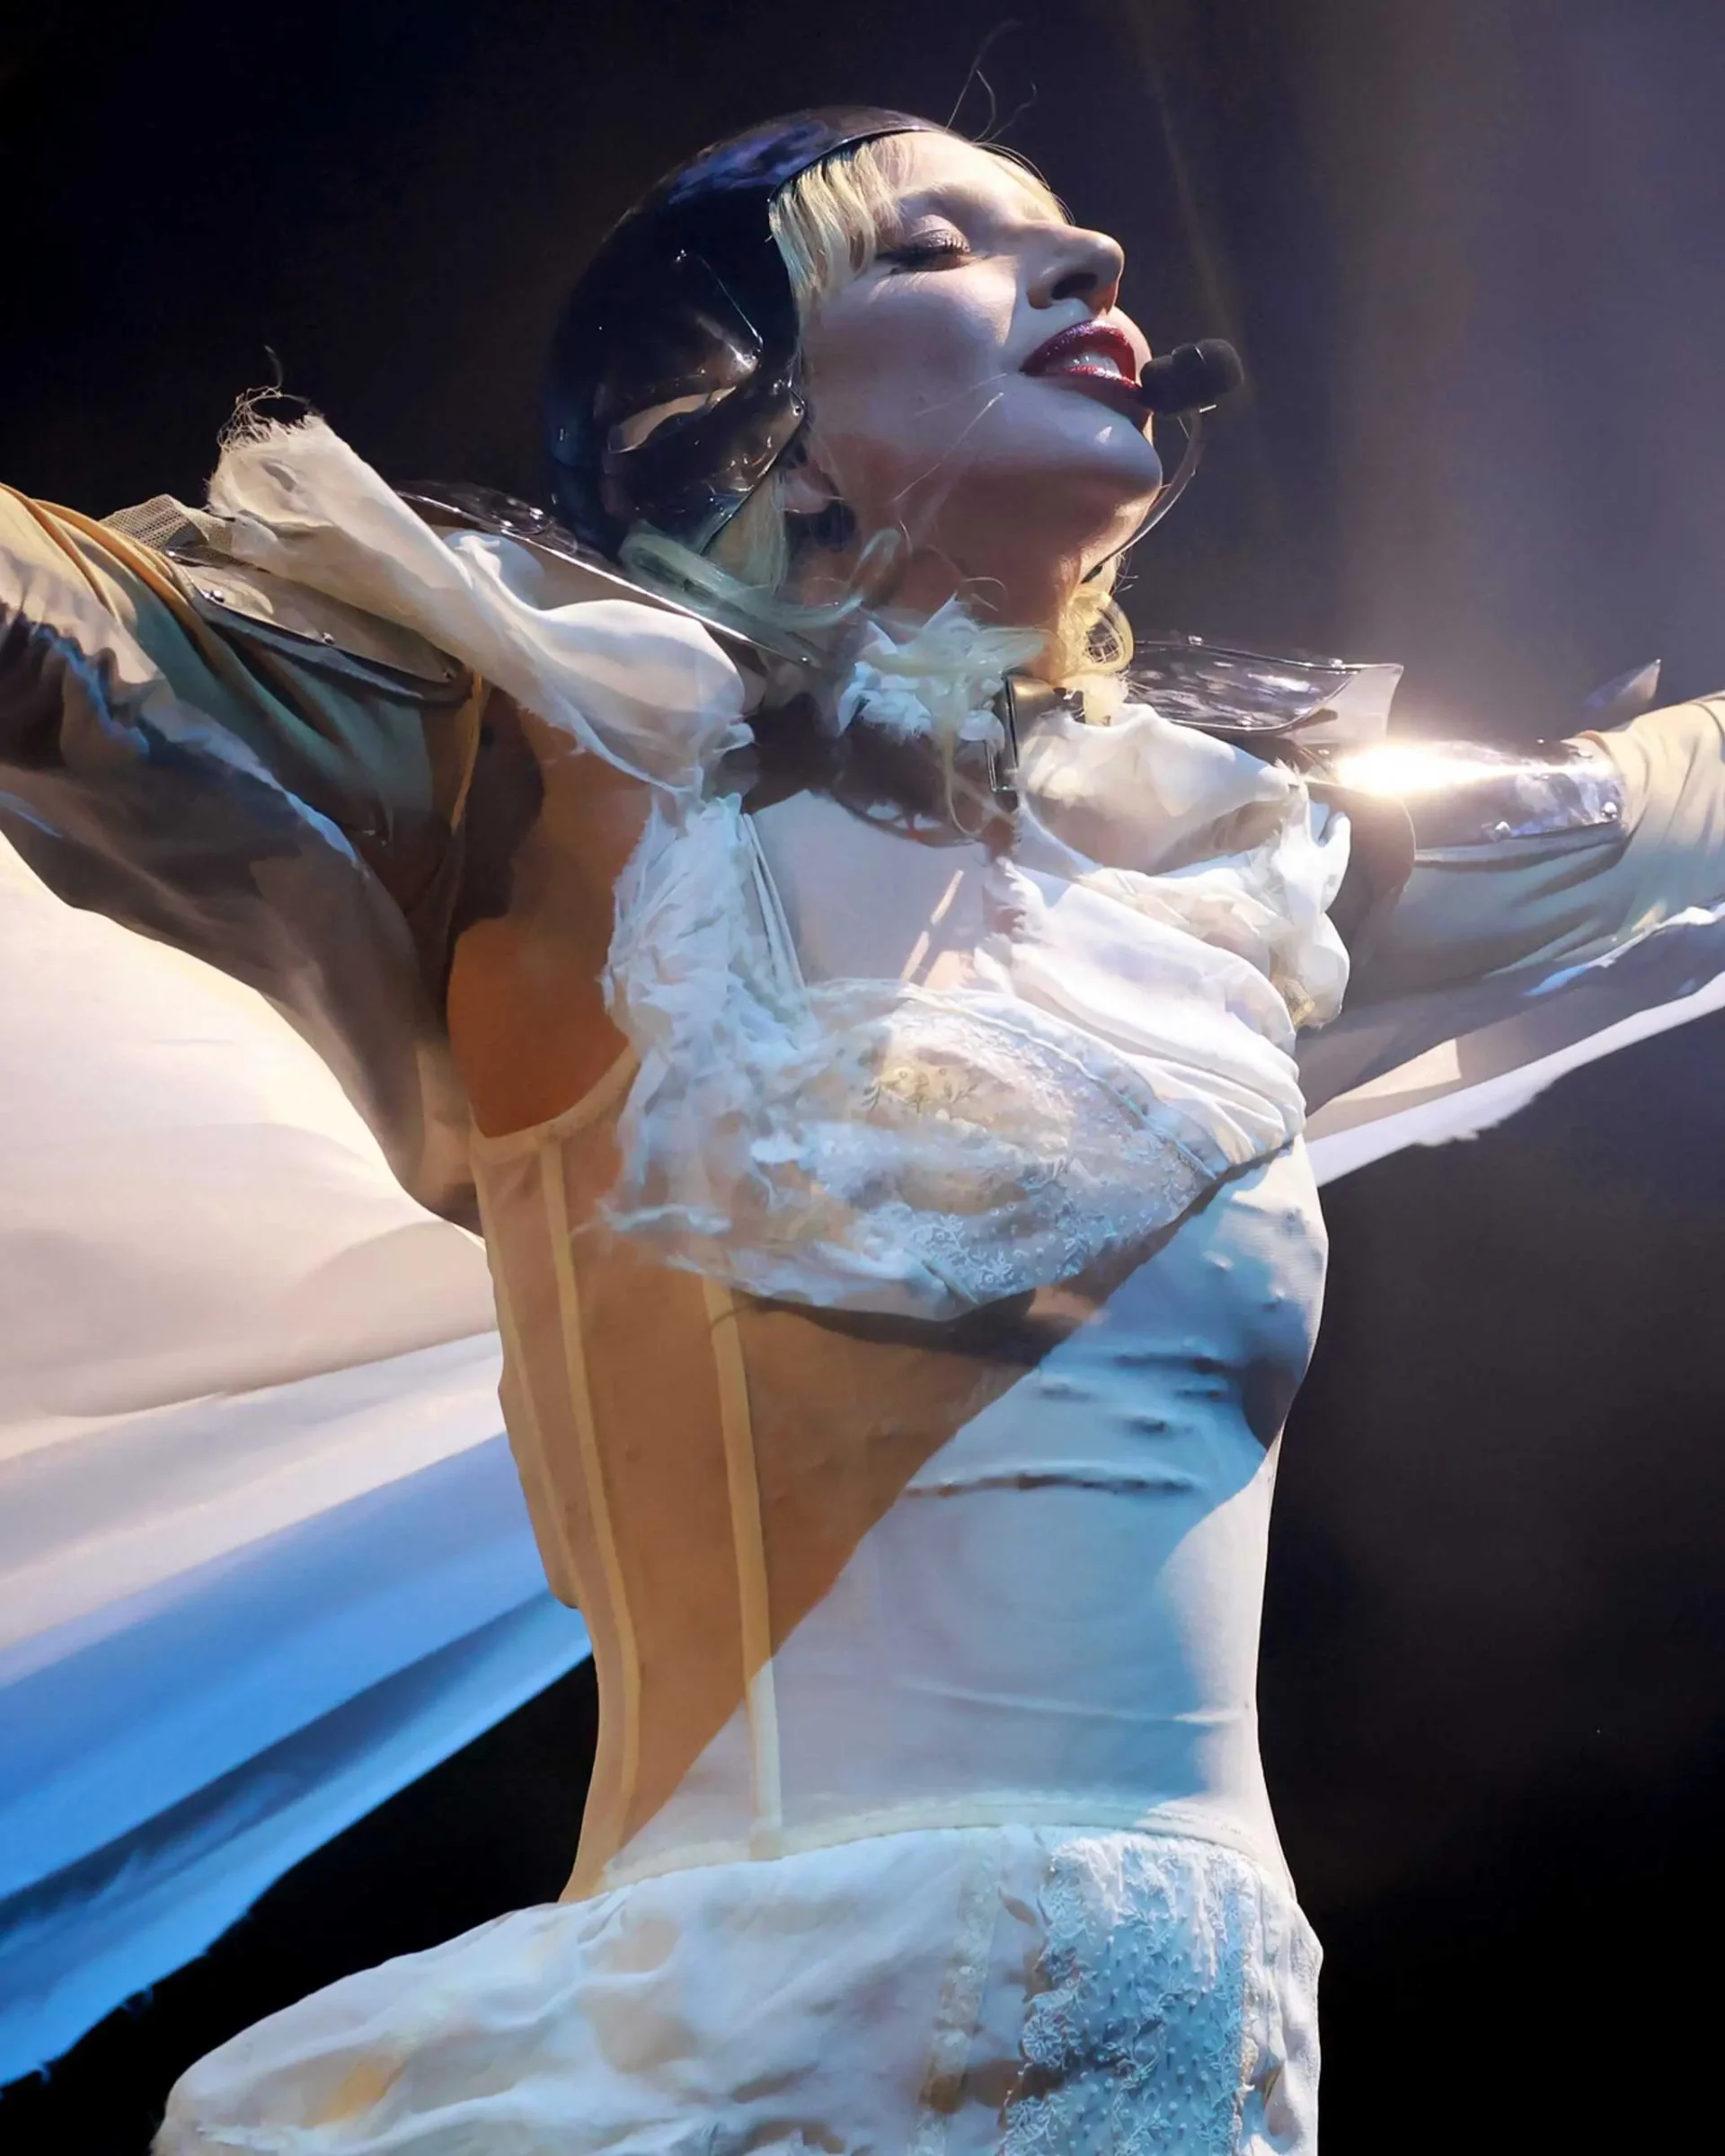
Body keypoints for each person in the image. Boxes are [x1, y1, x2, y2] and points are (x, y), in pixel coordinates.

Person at [4, 105, 1724, 2155]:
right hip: (746, 2064)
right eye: (932, 245)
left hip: (1202, 2065)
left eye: (1068, 232)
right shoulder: (537, 764)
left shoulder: (1228, 860)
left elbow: (1677, 804)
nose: (1090, 257)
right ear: (738, 403)